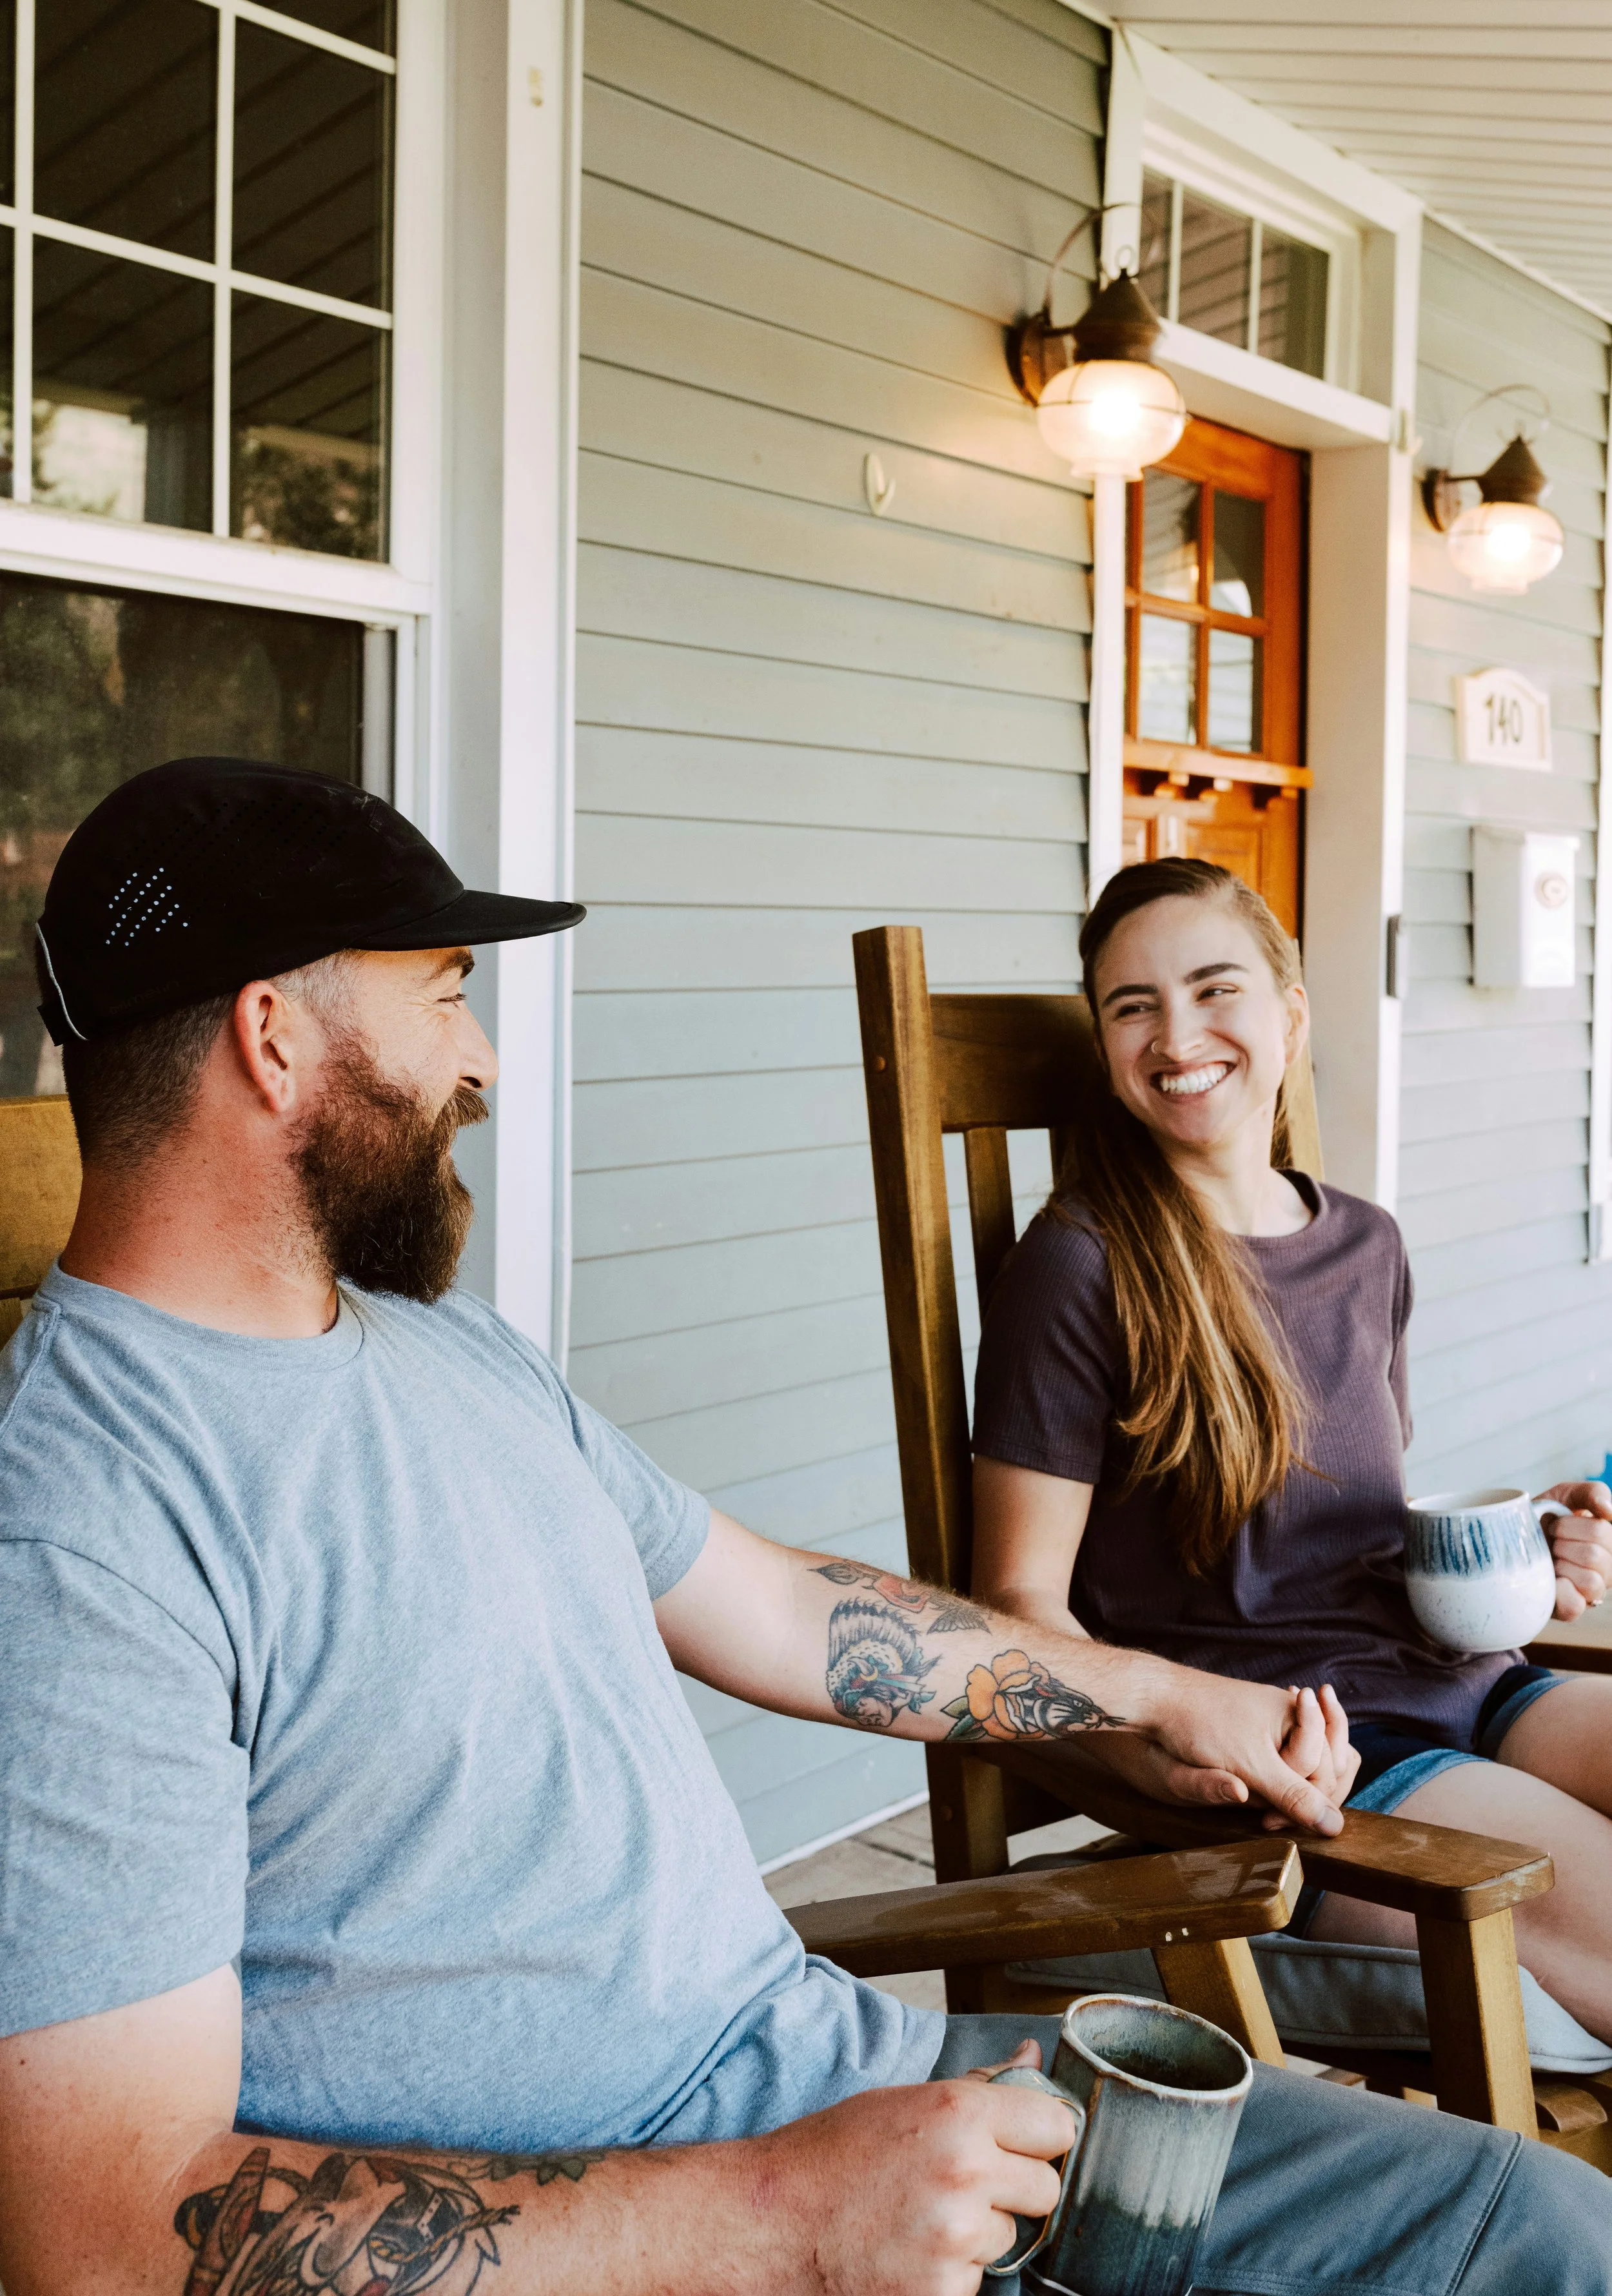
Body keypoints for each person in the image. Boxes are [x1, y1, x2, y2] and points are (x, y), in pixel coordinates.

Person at [0, 767, 1604, 2296]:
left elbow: (776, 1610)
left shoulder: (445, 1350)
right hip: (673, 2216)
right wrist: (780, 2217)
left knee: (1536, 2228)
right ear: (272, 1040)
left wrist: (1154, 1697)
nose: (479, 1060)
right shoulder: (82, 1529)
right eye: (439, 995)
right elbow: (103, 2244)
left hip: (869, 2088)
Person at [970, 854, 1612, 2048]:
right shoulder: (1083, 1270)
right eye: (1133, 1007)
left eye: (1216, 989)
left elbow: (1356, 1533)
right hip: (1308, 1759)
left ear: (1291, 1012)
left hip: (1470, 1684)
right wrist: (1155, 1743)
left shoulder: (1366, 1242)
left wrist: (1519, 1560)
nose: (1177, 1036)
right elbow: (1014, 1604)